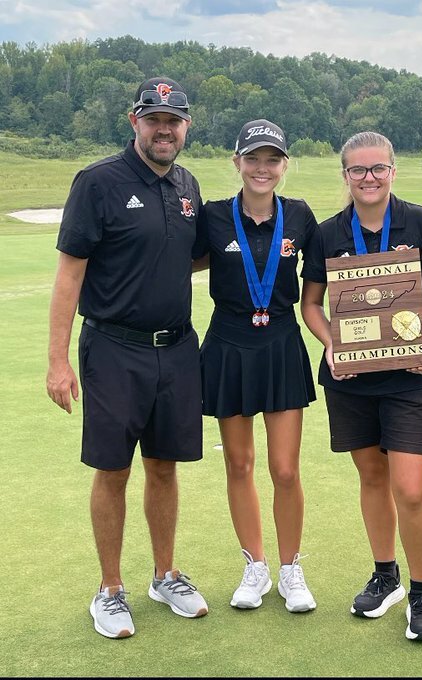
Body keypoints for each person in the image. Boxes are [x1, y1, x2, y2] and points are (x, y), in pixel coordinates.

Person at [46, 77, 209, 639]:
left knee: (164, 466)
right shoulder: (98, 182)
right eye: (154, 118)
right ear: (134, 120)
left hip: (177, 349)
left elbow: (186, 257)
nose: (165, 129)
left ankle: (165, 574)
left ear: (187, 125)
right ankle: (110, 589)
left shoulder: (188, 185)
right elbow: (70, 272)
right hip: (114, 348)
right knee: (113, 469)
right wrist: (57, 361)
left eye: (175, 120)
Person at [301, 131, 422, 641]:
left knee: (410, 487)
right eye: (357, 170)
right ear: (344, 175)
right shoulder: (327, 234)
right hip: (351, 379)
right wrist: (332, 344)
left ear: (394, 170)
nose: (368, 178)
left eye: (377, 168)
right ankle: (385, 573)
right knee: (372, 477)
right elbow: (311, 305)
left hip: (410, 377)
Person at [197, 119, 320, 613]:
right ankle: (255, 566)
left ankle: (291, 569)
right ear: (237, 162)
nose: (262, 168)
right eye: (253, 159)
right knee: (239, 462)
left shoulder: (301, 215)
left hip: (282, 343)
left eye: (272, 159)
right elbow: (171, 257)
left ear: (284, 164)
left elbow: (337, 266)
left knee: (285, 468)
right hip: (227, 343)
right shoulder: (212, 216)